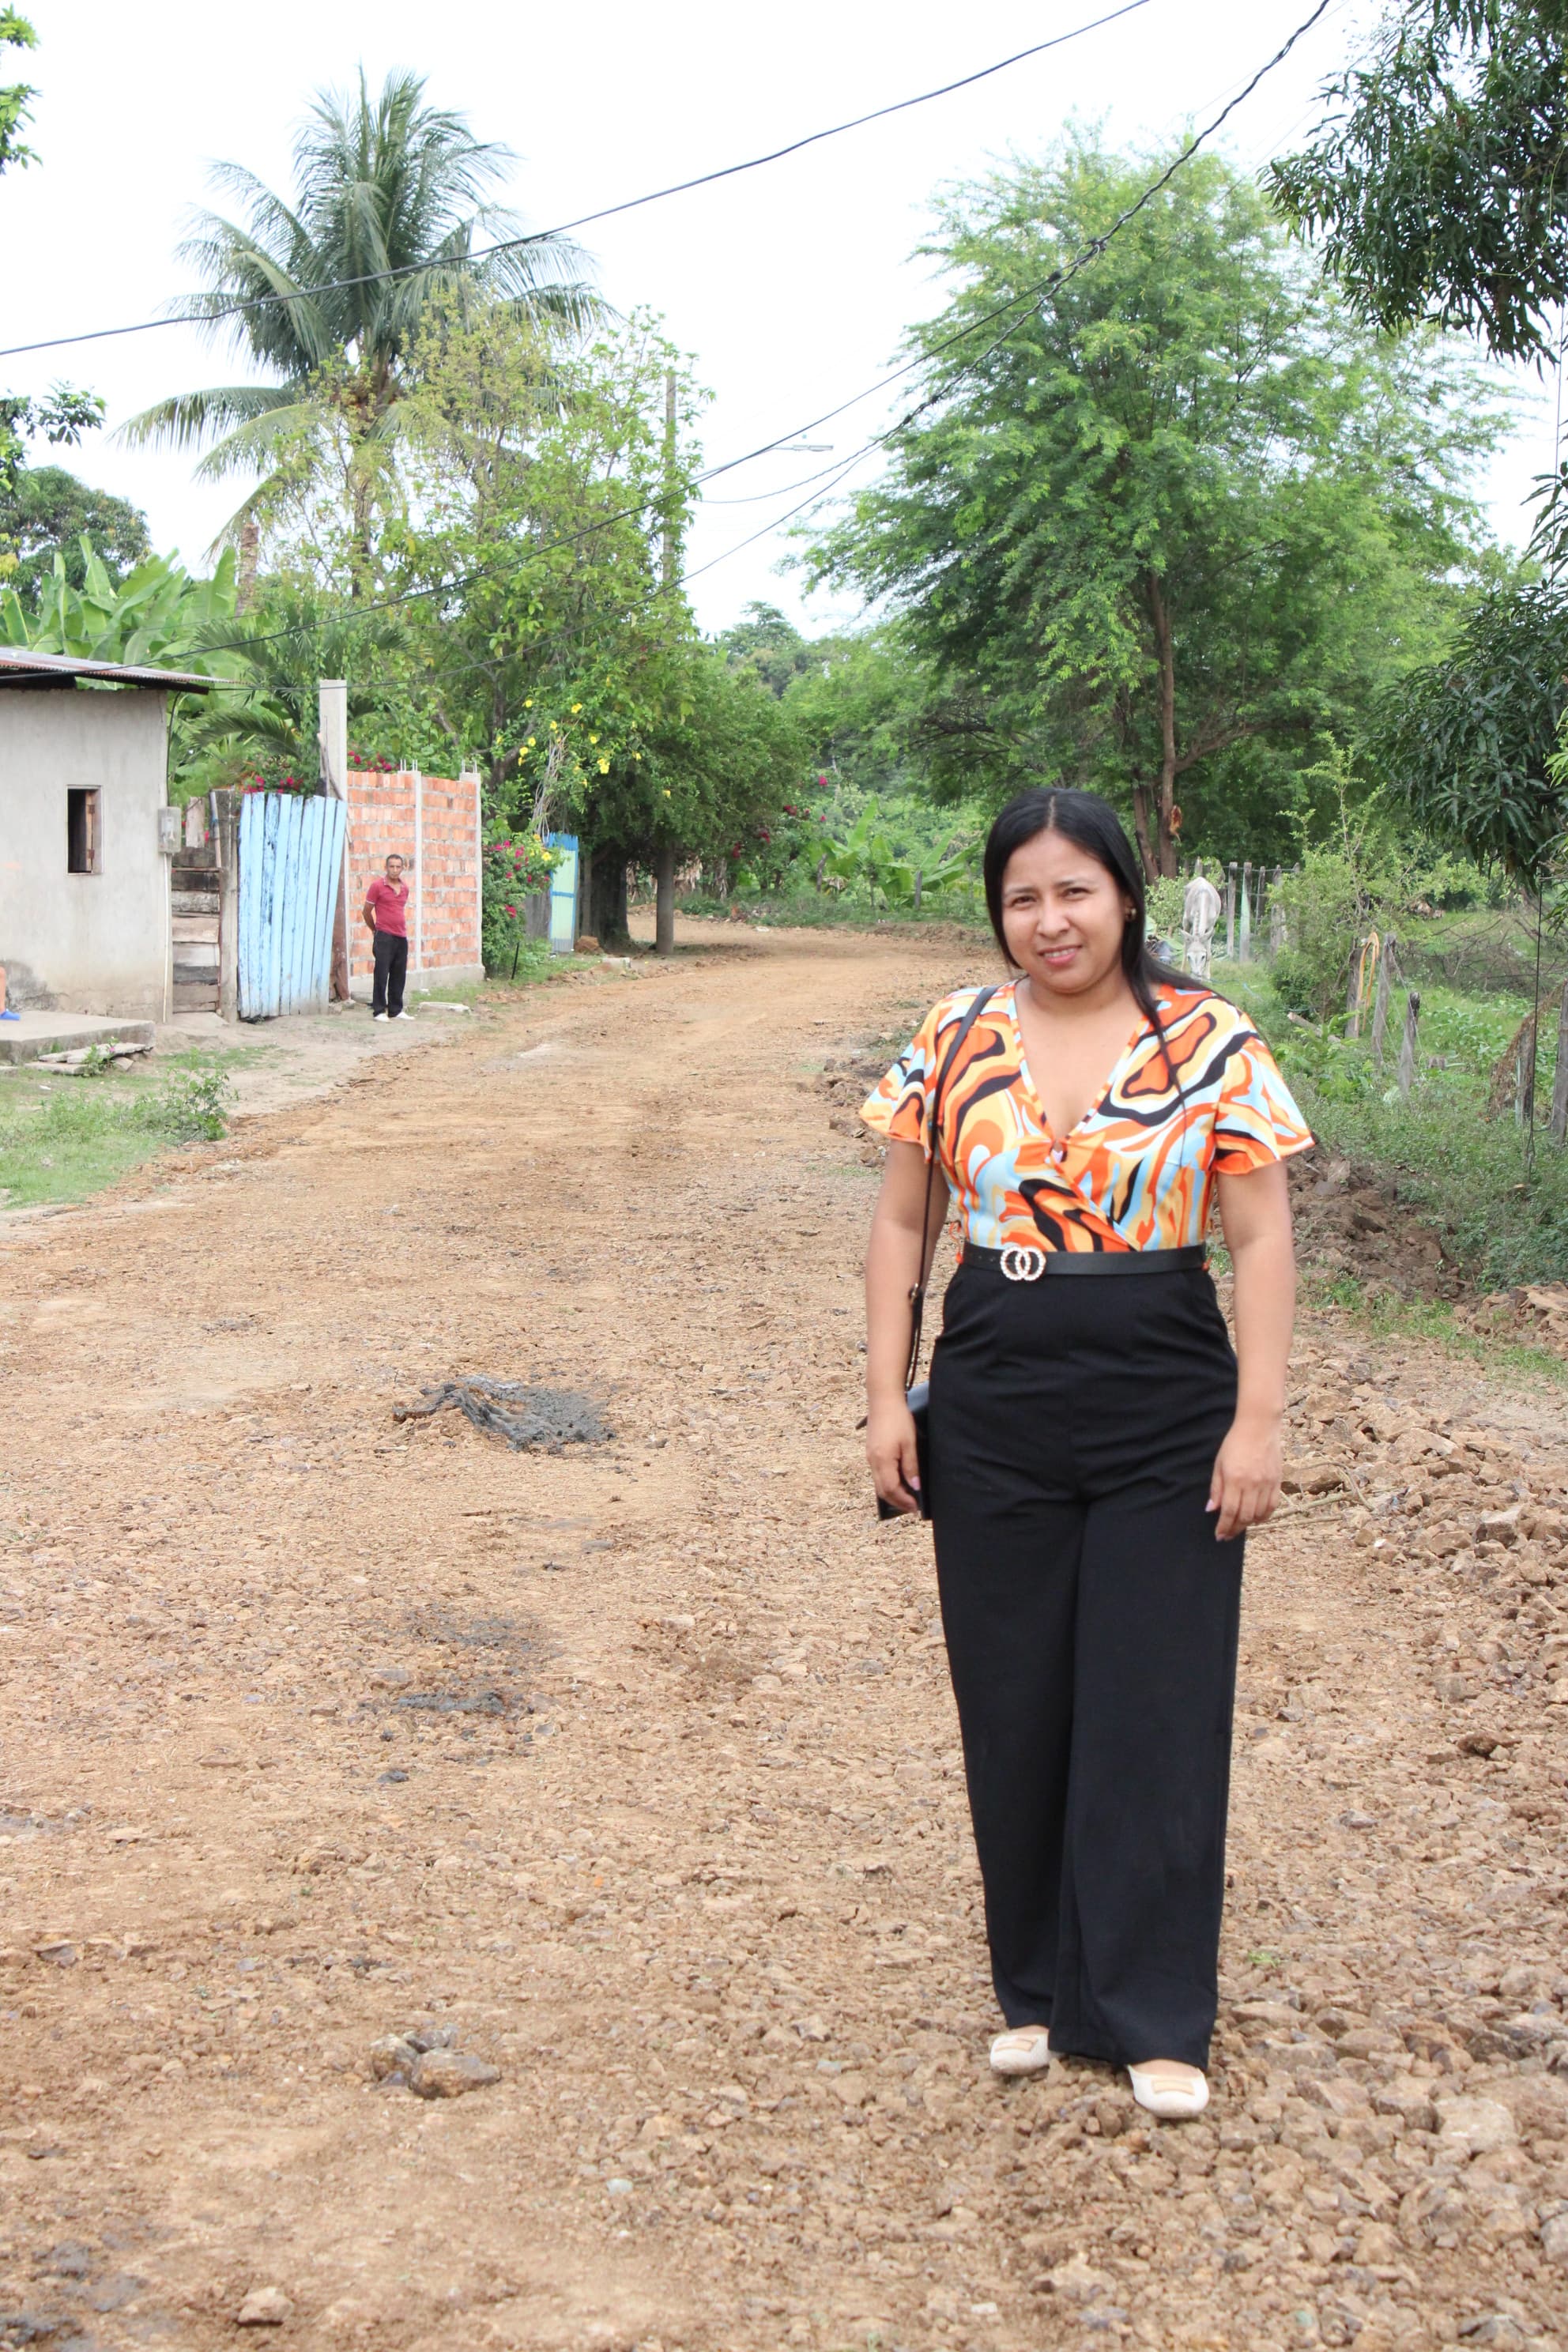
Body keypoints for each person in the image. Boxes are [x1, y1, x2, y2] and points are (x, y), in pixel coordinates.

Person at [861, 789, 1310, 2122]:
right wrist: (885, 1397)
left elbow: (1260, 1238)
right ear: (997, 911)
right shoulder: (954, 1035)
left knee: (1153, 1698)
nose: (1049, 920)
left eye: (1074, 891)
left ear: (1123, 895)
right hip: (993, 1380)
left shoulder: (1208, 1039)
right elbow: (902, 1224)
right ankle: (1038, 1992)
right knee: (1014, 1695)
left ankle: (1154, 2013)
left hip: (1163, 1387)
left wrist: (1258, 1420)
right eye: (1022, 897)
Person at [364, 853, 411, 1021]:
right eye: (392, 866)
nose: (395, 870)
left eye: (398, 867)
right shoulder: (377, 886)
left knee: (399, 974)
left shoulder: (405, 888)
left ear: (403, 868)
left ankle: (395, 1010)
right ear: (386, 867)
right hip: (384, 935)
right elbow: (366, 912)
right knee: (381, 974)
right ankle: (379, 1011)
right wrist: (375, 930)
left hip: (401, 936)